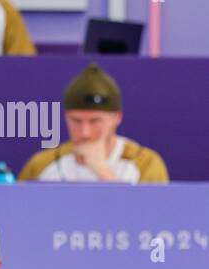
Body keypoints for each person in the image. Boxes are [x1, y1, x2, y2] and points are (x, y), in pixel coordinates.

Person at [19, 63, 169, 183]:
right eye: (76, 121)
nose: (85, 132)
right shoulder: (42, 164)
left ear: (117, 118)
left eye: (95, 121)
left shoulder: (146, 164)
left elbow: (151, 218)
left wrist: (103, 171)